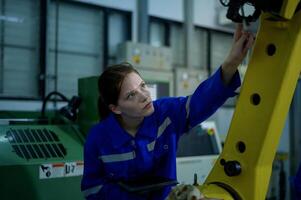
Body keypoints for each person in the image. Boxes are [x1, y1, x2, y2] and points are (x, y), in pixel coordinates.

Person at [81, 24, 254, 200]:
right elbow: (92, 189)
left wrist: (232, 62)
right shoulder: (98, 138)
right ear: (115, 108)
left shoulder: (166, 115)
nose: (145, 96)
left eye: (142, 85)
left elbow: (202, 101)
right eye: (131, 95)